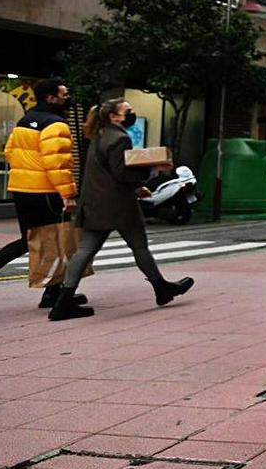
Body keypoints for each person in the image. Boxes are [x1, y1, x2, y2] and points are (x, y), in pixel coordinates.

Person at [48, 98, 194, 320]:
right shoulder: (120, 138)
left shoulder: (98, 136)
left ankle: (63, 300)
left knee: (86, 249)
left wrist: (138, 187)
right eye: (128, 111)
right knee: (139, 246)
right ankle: (161, 288)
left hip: (95, 202)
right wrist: (152, 169)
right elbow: (121, 173)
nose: (132, 114)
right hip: (118, 205)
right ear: (113, 116)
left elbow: (109, 172)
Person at [0, 79, 89, 308]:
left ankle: (51, 294)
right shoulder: (56, 125)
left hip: (22, 189)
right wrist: (68, 194)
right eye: (64, 94)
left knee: (30, 240)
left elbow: (10, 152)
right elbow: (58, 164)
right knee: (57, 241)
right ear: (51, 98)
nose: (68, 98)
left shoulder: (25, 120)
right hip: (46, 191)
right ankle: (53, 294)